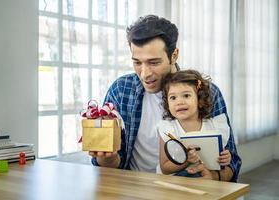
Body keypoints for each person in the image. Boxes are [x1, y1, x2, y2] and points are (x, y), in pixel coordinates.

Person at [89, 15, 241, 182]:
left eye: (153, 62)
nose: (145, 74)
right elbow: (109, 166)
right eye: (137, 62)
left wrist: (213, 176)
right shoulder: (120, 90)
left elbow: (232, 162)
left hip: (187, 190)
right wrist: (107, 158)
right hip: (131, 189)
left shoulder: (206, 92)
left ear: (174, 55)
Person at [156, 70, 231, 179]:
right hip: (175, 183)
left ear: (199, 99)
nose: (179, 102)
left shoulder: (214, 125)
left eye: (186, 96)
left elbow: (220, 162)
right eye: (173, 98)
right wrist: (186, 161)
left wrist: (225, 159)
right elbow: (165, 168)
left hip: (204, 181)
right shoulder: (168, 129)